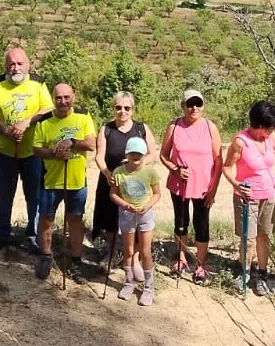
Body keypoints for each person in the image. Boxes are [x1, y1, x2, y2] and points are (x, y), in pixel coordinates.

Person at [219, 100, 275, 296]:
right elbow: (226, 167)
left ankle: (262, 274)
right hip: (247, 198)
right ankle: (244, 273)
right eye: (271, 127)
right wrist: (236, 185)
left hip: (268, 196)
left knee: (264, 236)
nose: (273, 130)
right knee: (248, 238)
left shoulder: (269, 137)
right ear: (259, 125)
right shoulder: (240, 142)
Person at [31, 84, 97, 282]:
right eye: (59, 98)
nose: (63, 102)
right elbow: (36, 149)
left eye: (67, 97)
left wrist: (72, 142)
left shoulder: (83, 116)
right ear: (53, 98)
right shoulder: (44, 121)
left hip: (76, 181)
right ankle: (45, 256)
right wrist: (54, 153)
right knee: (46, 218)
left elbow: (91, 143)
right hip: (50, 180)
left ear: (73, 97)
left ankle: (76, 260)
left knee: (75, 219)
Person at [0, 46, 50, 254]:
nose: (15, 68)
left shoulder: (39, 83)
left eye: (19, 63)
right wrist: (5, 130)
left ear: (28, 65)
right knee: (4, 196)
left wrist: (26, 123)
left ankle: (33, 236)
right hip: (5, 152)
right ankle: (2, 235)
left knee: (34, 196)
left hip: (32, 153)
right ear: (6, 66)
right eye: (11, 64)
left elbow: (48, 109)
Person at [159, 88, 222, 283]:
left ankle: (201, 265)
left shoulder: (210, 127)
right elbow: (163, 155)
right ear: (183, 106)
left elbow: (219, 161)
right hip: (179, 185)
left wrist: (213, 189)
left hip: (204, 187)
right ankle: (181, 259)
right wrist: (175, 169)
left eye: (198, 104)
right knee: (181, 222)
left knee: (202, 224)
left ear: (203, 107)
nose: (194, 108)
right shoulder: (174, 126)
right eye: (190, 104)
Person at [91, 91, 149, 262]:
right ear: (113, 108)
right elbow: (99, 156)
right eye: (118, 107)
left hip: (135, 181)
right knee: (109, 217)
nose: (122, 111)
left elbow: (152, 154)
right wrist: (107, 173)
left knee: (135, 216)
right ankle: (112, 250)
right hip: (111, 180)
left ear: (132, 109)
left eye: (126, 107)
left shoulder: (141, 129)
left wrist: (138, 163)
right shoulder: (106, 129)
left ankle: (133, 254)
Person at [109, 136, 162, 306]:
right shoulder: (119, 172)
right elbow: (113, 194)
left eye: (139, 154)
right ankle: (128, 282)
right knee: (129, 250)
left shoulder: (150, 172)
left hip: (145, 213)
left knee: (145, 251)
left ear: (144, 154)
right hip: (127, 214)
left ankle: (148, 287)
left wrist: (147, 206)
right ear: (127, 154)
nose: (136, 157)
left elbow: (157, 194)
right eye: (132, 153)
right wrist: (125, 205)